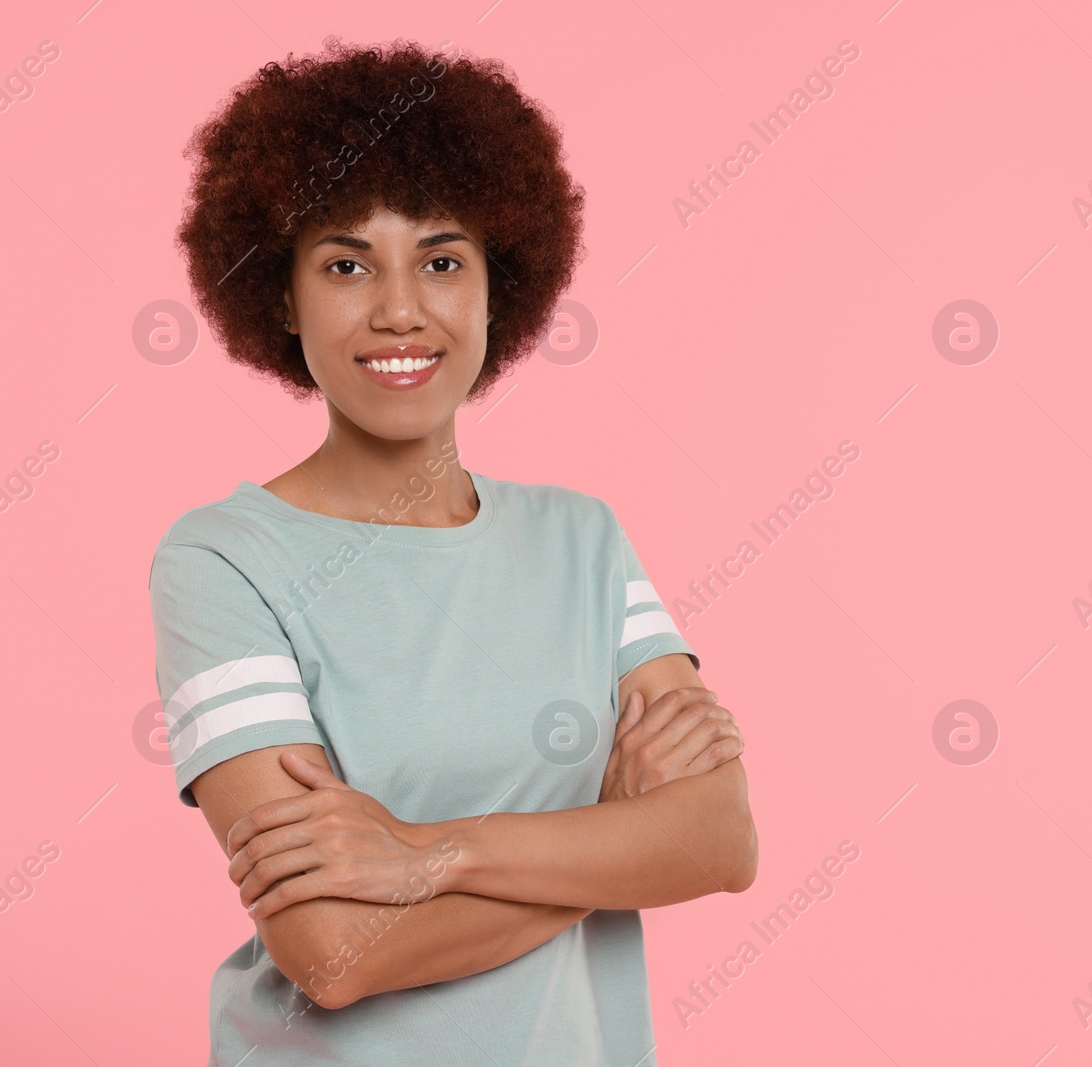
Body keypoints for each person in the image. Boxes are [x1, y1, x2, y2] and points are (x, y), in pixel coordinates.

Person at [150, 35, 756, 1065]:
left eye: (441, 259)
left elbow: (721, 841)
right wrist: (612, 834)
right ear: (284, 296)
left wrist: (426, 852)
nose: (399, 308)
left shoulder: (584, 539)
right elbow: (335, 951)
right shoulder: (221, 562)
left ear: (493, 287)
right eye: (346, 263)